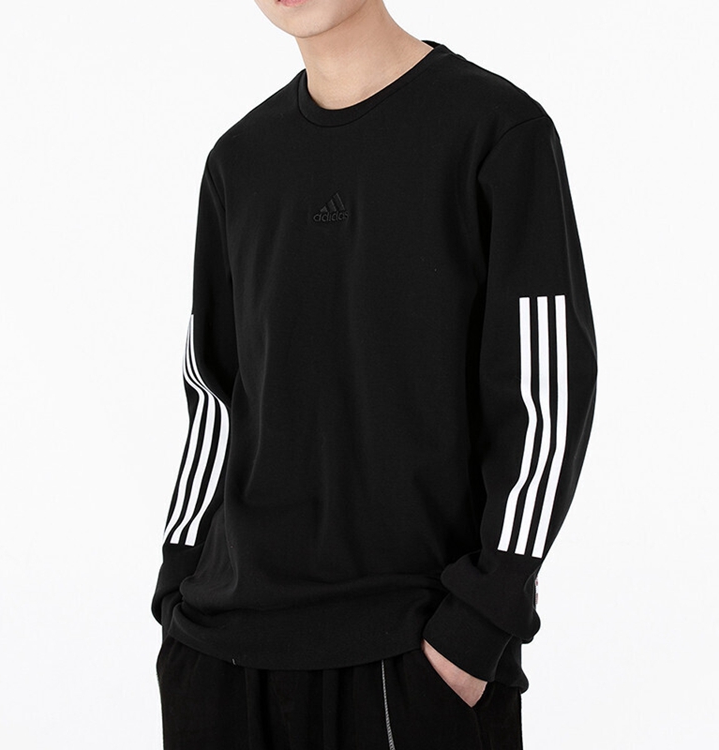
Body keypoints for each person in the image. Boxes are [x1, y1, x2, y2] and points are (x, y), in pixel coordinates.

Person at [151, 1, 598, 748]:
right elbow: (215, 398)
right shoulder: (239, 160)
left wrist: (482, 620)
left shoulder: (496, 131)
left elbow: (546, 400)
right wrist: (177, 584)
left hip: (409, 655)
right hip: (220, 655)